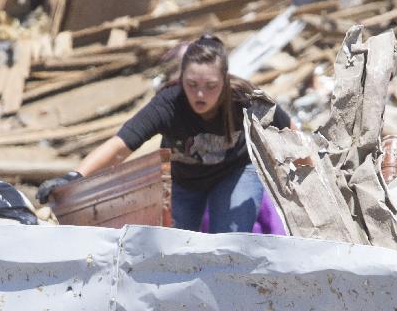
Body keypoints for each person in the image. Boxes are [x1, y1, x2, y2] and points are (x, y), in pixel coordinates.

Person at [36, 34, 292, 233]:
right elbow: (119, 147)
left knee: (230, 240)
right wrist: (74, 177)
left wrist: (302, 168)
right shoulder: (168, 104)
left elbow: (288, 131)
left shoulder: (243, 98)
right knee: (179, 248)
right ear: (182, 80)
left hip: (236, 172)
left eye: (210, 86)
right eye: (192, 85)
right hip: (185, 181)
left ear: (224, 81)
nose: (200, 95)